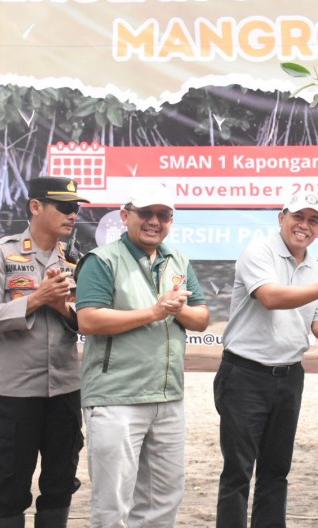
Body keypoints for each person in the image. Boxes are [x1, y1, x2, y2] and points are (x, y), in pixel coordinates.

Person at [214, 193, 318, 528]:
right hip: (244, 374)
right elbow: (270, 297)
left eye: (314, 220)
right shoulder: (259, 251)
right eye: (299, 216)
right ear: (281, 217)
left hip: (289, 377)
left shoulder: (315, 268)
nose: (305, 226)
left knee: (276, 471)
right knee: (238, 472)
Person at [75, 183, 209, 527]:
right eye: (145, 213)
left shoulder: (176, 258)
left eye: (162, 215)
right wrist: (155, 311)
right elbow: (88, 319)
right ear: (125, 216)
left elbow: (201, 317)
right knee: (114, 503)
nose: (154, 221)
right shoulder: (101, 260)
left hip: (167, 396)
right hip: (116, 396)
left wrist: (173, 309)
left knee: (164, 497)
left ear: (170, 220)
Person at [0, 176, 88, 528]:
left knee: (60, 482)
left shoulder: (76, 259)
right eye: (65, 207)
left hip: (65, 390)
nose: (73, 215)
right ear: (35, 207)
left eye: (76, 208)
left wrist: (60, 307)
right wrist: (37, 299)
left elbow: (84, 321)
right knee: (10, 484)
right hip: (15, 394)